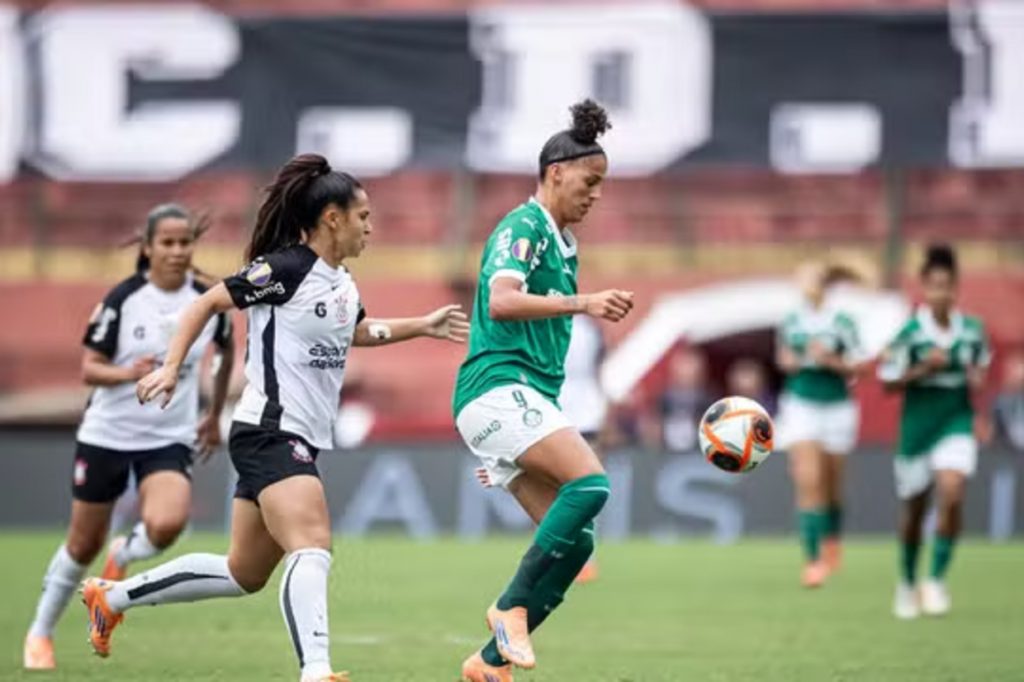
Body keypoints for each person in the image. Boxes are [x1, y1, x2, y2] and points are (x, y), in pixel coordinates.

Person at [79, 154, 469, 682]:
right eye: (363, 216)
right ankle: (317, 671)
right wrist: (171, 368)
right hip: (270, 430)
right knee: (312, 544)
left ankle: (112, 597)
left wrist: (422, 325)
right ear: (332, 218)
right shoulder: (283, 269)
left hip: (294, 434)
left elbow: (356, 331)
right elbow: (204, 304)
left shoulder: (341, 280)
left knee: (243, 572)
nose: (370, 227)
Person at [452, 99, 634, 682]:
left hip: (519, 402)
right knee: (592, 484)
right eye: (589, 181)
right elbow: (502, 301)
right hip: (496, 387)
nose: (596, 194)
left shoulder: (563, 242)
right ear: (557, 172)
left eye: (601, 184)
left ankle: (487, 664)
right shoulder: (523, 227)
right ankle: (509, 607)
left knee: (578, 544)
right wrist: (585, 302)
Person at [23, 204, 234, 670]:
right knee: (83, 545)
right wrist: (128, 373)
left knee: (168, 523)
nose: (177, 251)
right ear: (148, 247)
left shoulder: (206, 300)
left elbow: (224, 350)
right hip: (108, 435)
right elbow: (89, 369)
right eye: (167, 243)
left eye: (185, 243)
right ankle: (40, 633)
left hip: (168, 436)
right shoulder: (124, 299)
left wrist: (214, 412)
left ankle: (126, 551)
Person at [879, 244, 990, 619]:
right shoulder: (910, 334)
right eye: (934, 286)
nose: (941, 293)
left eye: (947, 286)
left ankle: (936, 579)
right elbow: (888, 383)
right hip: (917, 428)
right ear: (924, 289)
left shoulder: (972, 331)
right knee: (914, 510)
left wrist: (976, 383)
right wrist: (923, 369)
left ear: (956, 288)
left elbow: (979, 373)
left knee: (953, 491)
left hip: (955, 420)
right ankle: (908, 581)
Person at [775, 261, 867, 588]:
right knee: (809, 479)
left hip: (837, 406)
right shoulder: (791, 320)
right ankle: (812, 561)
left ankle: (832, 540)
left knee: (832, 485)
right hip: (802, 404)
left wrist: (831, 360)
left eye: (812, 279)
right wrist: (794, 360)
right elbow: (784, 359)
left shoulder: (842, 321)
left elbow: (860, 366)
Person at [658, 348, 711, 453]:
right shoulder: (664, 398)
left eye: (690, 368)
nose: (686, 373)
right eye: (683, 368)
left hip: (698, 453)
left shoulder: (708, 399)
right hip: (668, 453)